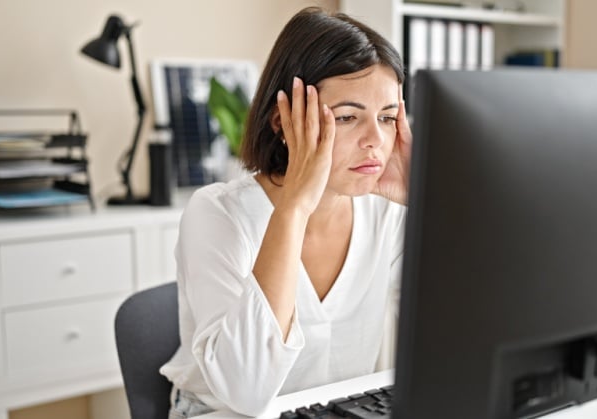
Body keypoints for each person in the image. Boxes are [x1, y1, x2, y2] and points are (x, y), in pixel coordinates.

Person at [160, 7, 412, 418]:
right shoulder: (217, 213)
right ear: (283, 122)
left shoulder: (387, 216)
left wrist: (427, 199)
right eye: (348, 117)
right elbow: (245, 392)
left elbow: (464, 335)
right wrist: (294, 208)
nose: (376, 141)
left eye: (387, 118)